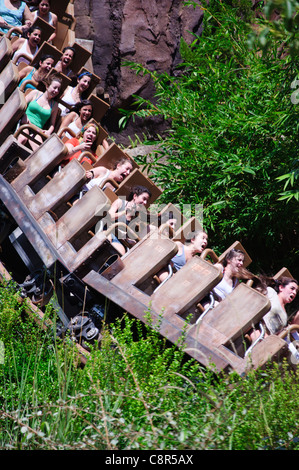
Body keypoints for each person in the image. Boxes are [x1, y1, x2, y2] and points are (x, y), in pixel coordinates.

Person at [17, 74, 62, 150]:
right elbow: (22, 105)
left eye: (58, 89)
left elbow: (52, 124)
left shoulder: (54, 105)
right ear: (47, 86)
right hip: (25, 123)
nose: (56, 91)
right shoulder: (35, 93)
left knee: (39, 150)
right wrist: (24, 115)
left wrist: (49, 131)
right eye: (54, 88)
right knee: (23, 138)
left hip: (37, 130)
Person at [248, 277, 299, 342]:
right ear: (281, 288)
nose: (294, 292)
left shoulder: (285, 315)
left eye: (296, 291)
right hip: (256, 328)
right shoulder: (271, 293)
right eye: (292, 288)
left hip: (268, 338)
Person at [107, 185, 152, 256]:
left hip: (119, 240)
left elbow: (130, 235)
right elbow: (109, 217)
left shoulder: (137, 218)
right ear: (135, 196)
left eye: (146, 201)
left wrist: (131, 240)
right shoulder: (120, 203)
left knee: (120, 252)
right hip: (109, 230)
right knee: (107, 239)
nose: (145, 202)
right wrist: (124, 212)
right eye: (144, 199)